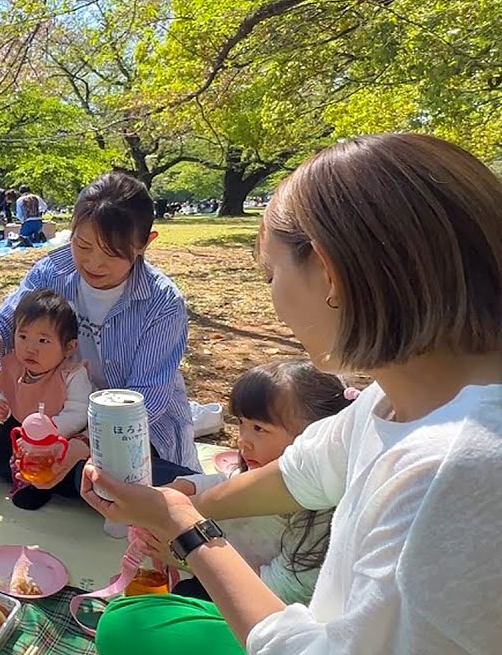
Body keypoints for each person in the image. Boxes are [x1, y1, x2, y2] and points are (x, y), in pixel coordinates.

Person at [81, 133, 502, 655]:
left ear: (328, 272)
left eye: (270, 272)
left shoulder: (459, 466)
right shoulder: (394, 399)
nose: (274, 299)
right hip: (324, 625)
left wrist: (189, 534)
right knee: (130, 622)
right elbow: (302, 473)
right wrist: (176, 502)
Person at [0, 172, 201, 481]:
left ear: (144, 243)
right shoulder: (52, 272)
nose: (93, 264)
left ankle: (147, 482)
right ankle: (92, 483)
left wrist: (82, 445)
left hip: (129, 428)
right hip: (62, 413)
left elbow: (146, 400)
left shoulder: (162, 302)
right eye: (83, 245)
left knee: (103, 470)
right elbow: (4, 334)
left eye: (112, 252)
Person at [144, 361, 347, 611]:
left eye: (259, 429)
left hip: (264, 612)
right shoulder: (260, 468)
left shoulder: (321, 519)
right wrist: (187, 487)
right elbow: (226, 484)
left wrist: (189, 556)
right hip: (219, 574)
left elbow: (282, 592)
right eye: (241, 423)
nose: (243, 441)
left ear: (312, 442)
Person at [0, 289, 93, 510]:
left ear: (69, 347)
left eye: (43, 340)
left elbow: (79, 411)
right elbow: (3, 390)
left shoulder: (72, 375)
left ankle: (39, 487)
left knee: (55, 466)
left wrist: (52, 429)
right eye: (23, 336)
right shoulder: (14, 364)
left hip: (56, 437)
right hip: (18, 424)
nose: (30, 348)